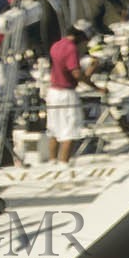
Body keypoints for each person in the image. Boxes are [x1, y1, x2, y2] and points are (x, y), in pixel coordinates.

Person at [47, 27, 104, 162]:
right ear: (78, 35)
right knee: (69, 131)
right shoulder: (71, 48)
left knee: (54, 130)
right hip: (66, 93)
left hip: (52, 92)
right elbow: (76, 74)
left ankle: (52, 161)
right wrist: (96, 87)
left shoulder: (55, 45)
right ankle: (63, 164)